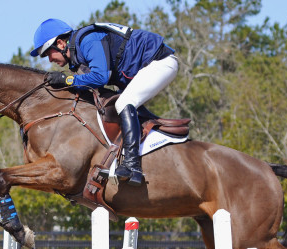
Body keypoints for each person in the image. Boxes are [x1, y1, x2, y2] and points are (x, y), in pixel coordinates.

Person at [30, 19, 178, 186]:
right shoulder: (78, 51)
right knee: (117, 105)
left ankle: (132, 167)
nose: (49, 59)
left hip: (160, 63)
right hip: (143, 69)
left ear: (60, 43)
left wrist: (67, 80)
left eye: (48, 53)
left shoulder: (87, 40)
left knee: (124, 103)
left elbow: (101, 77)